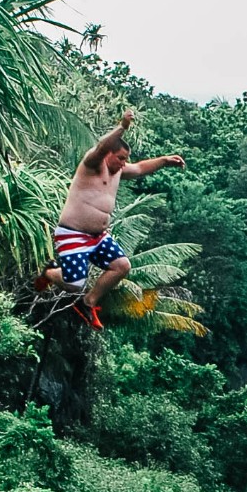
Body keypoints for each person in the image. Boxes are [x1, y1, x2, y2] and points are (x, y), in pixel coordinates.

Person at [37, 108, 186, 330]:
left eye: (125, 159)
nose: (124, 163)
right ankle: (49, 272)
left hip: (98, 237)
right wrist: (123, 127)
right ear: (109, 155)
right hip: (73, 234)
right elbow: (101, 146)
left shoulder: (118, 171)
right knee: (74, 284)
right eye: (120, 158)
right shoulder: (92, 164)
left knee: (122, 266)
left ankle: (89, 302)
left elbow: (140, 168)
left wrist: (164, 160)